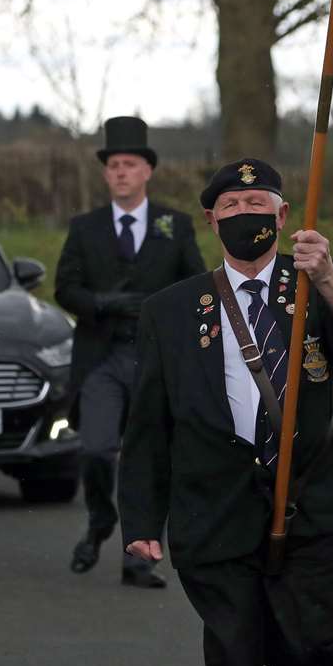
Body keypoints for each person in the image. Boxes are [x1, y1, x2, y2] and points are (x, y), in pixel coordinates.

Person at [119, 158, 333, 666]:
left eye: (257, 203)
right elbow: (150, 422)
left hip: (310, 506)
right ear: (211, 221)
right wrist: (143, 518)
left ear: (283, 215)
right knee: (232, 661)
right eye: (231, 206)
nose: (245, 213)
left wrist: (329, 278)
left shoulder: (317, 284)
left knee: (306, 654)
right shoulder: (169, 310)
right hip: (214, 509)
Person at [55, 116, 205, 588]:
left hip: (153, 360)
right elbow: (65, 288)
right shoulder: (85, 228)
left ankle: (139, 556)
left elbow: (197, 286)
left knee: (151, 459)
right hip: (102, 357)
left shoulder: (174, 226)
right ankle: (101, 519)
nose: (121, 172)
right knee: (96, 449)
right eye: (113, 164)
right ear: (105, 174)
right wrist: (102, 302)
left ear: (147, 171)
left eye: (130, 164)